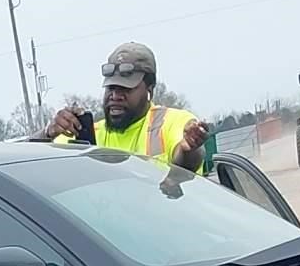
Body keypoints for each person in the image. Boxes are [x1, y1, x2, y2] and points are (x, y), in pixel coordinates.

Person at [32, 42, 212, 176]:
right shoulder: (85, 133)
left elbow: (186, 165)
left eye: (126, 88)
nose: (115, 96)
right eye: (111, 87)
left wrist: (189, 150)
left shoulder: (171, 122)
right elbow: (17, 165)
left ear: (149, 89)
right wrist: (48, 133)